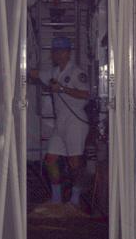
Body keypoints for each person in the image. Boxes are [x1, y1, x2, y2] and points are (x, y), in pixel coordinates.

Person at [28, 35, 92, 207]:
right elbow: (36, 73)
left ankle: (75, 198)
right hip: (61, 122)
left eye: (60, 51)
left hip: (76, 122)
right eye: (55, 51)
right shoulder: (54, 72)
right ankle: (56, 199)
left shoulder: (77, 73)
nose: (56, 54)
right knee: (50, 158)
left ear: (68, 53)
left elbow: (86, 94)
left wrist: (62, 88)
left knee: (75, 163)